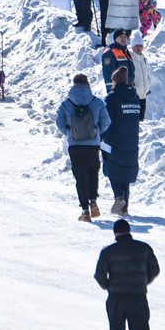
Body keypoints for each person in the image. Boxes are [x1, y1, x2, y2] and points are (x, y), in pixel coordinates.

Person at [95, 218, 159, 330]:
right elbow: (155, 269)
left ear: (115, 233)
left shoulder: (108, 251)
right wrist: (142, 282)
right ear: (129, 231)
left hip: (116, 299)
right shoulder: (144, 248)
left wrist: (109, 286)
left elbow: (99, 274)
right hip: (138, 297)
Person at [57, 73, 112, 221]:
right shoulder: (97, 102)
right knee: (93, 172)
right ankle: (93, 201)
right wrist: (97, 132)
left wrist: (70, 133)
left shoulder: (66, 104)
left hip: (75, 146)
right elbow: (106, 122)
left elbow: (60, 124)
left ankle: (84, 211)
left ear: (74, 85)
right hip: (93, 145)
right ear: (88, 85)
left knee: (80, 177)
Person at [104, 67, 142, 216]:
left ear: (114, 81)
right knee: (125, 171)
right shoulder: (134, 97)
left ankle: (119, 196)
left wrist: (103, 139)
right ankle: (125, 205)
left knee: (111, 168)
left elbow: (107, 121)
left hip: (115, 140)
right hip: (132, 140)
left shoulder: (112, 98)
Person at [129, 31, 150, 121]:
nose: (138, 48)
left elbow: (147, 74)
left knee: (141, 119)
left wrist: (148, 85)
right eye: (136, 45)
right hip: (135, 95)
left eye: (140, 45)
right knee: (135, 120)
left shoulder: (144, 59)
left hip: (144, 94)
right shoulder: (131, 59)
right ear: (133, 47)